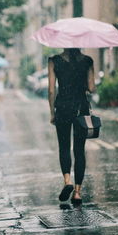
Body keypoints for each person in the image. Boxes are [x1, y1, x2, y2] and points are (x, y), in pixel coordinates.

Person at [48, 48, 96, 205]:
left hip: (62, 107)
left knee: (64, 146)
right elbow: (91, 88)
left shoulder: (54, 61)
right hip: (81, 108)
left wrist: (52, 112)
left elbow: (51, 90)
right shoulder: (87, 61)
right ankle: (77, 192)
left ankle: (67, 180)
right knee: (79, 150)